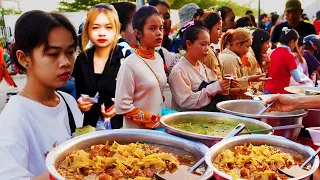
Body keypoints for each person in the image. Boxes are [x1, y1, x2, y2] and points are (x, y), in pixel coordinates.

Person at [0, 10, 83, 179]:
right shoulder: (15, 117)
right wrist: (64, 171)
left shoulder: (67, 101)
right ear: (24, 58)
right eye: (53, 54)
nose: (65, 62)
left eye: (70, 52)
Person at [74, 4, 130, 129]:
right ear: (87, 30)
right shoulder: (82, 60)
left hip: (122, 128)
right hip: (91, 129)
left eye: (108, 27)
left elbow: (138, 94)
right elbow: (79, 94)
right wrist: (81, 104)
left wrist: (119, 107)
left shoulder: (125, 57)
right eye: (95, 27)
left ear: (116, 29)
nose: (102, 33)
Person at [115, 6, 166, 129]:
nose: (159, 33)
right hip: (136, 135)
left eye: (161, 28)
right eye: (152, 28)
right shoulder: (129, 64)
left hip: (157, 131)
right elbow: (122, 106)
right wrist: (153, 120)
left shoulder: (158, 58)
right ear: (138, 33)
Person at [169, 21, 231, 112]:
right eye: (203, 44)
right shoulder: (178, 71)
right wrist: (215, 87)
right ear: (189, 44)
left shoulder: (202, 67)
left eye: (208, 44)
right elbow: (186, 101)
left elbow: (214, 85)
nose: (207, 49)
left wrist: (224, 85)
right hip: (185, 120)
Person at [219, 28, 269, 98]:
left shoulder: (233, 58)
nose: (248, 50)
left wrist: (251, 79)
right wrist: (250, 82)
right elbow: (232, 89)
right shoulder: (230, 59)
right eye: (247, 46)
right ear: (237, 44)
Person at [264, 27, 305, 94]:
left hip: (267, 89)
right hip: (279, 91)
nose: (295, 45)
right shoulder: (289, 56)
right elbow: (298, 78)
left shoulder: (273, 52)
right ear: (292, 41)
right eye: (296, 43)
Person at [246, 29, 271, 94]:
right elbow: (248, 81)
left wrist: (267, 63)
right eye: (267, 43)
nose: (269, 47)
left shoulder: (253, 56)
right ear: (260, 43)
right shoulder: (249, 57)